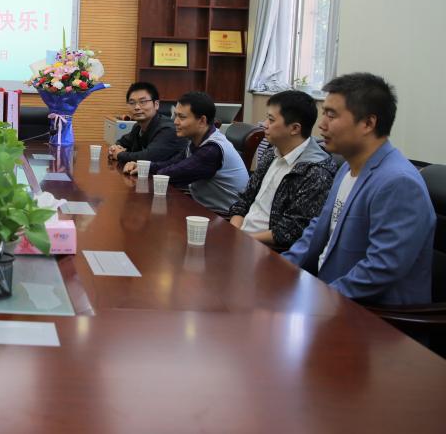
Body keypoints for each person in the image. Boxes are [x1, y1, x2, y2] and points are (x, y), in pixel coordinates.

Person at [283, 73, 434, 304]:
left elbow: (381, 268)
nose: (322, 124)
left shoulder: (398, 182)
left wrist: (318, 299)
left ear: (368, 123)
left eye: (331, 115)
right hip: (329, 293)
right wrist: (280, 269)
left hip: (372, 315)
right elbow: (319, 229)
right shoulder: (347, 166)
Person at [228, 90, 339, 247]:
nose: (264, 124)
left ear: (294, 128)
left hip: (269, 250)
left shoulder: (316, 171)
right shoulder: (271, 153)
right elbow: (244, 201)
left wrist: (243, 239)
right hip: (242, 237)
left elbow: (291, 231)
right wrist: (234, 232)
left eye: (271, 120)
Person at [123, 91, 248, 214]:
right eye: (175, 116)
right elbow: (171, 164)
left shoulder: (211, 150)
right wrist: (142, 166)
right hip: (203, 209)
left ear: (202, 121)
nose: (175, 122)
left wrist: (148, 169)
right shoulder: (196, 141)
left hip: (224, 218)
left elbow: (171, 174)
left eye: (181, 117)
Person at [107, 81, 185, 165]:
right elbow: (122, 142)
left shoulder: (168, 129)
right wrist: (114, 148)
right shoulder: (138, 127)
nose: (137, 107)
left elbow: (148, 157)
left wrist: (119, 155)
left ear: (156, 104)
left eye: (143, 102)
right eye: (132, 103)